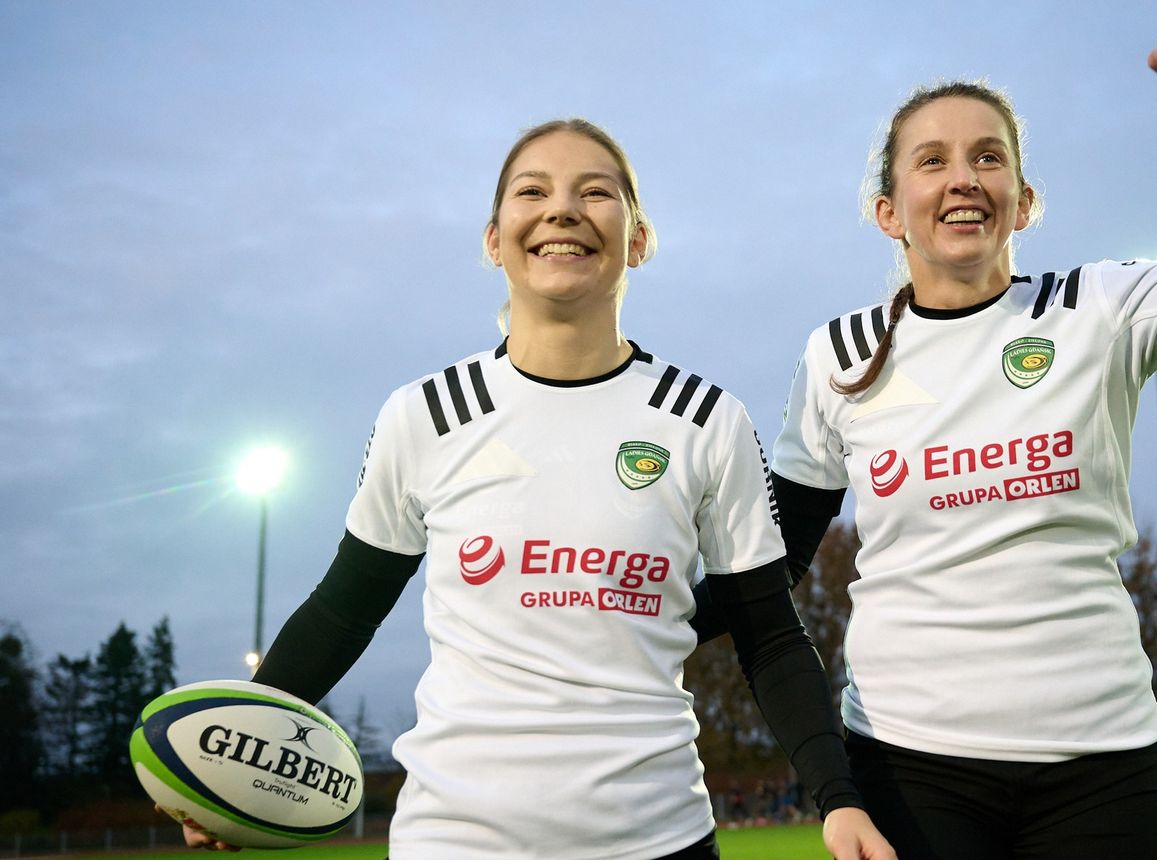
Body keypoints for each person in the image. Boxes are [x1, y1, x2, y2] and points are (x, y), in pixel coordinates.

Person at [688, 8, 1157, 859]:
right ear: (888, 211)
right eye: (932, 161)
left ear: (1025, 200)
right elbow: (774, 565)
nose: (963, 178)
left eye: (988, 157)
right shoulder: (839, 356)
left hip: (1106, 770)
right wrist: (630, 617)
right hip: (910, 771)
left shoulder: (1103, 309)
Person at [173, 118, 895, 860]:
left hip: (659, 839)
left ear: (639, 239)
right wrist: (222, 768)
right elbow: (343, 612)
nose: (563, 210)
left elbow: (769, 638)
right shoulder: (424, 416)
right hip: (453, 842)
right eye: (533, 191)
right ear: (495, 240)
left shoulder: (705, 420)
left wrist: (838, 798)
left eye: (595, 192)